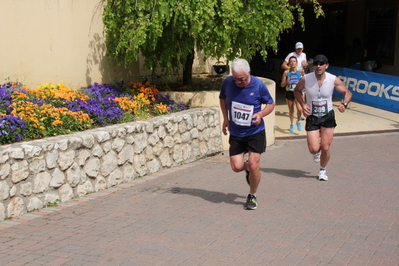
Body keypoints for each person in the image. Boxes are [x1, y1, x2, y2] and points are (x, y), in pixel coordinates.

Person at [219, 58, 275, 210]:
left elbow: (270, 104)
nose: (238, 82)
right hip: (237, 132)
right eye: (235, 79)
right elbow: (222, 99)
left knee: (253, 163)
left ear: (249, 73)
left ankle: (252, 195)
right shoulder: (228, 83)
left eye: (241, 79)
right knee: (237, 167)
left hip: (255, 132)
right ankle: (250, 170)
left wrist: (261, 114)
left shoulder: (258, 85)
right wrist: (226, 119)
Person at [293, 54, 352, 181]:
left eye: (321, 64)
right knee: (314, 149)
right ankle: (317, 152)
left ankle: (322, 170)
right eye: (316, 64)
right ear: (313, 65)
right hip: (312, 116)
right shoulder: (306, 78)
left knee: (326, 147)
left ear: (326, 65)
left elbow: (347, 92)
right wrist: (303, 105)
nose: (318, 66)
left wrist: (344, 104)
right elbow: (296, 91)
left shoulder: (333, 79)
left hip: (327, 116)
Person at [280, 56, 304, 132]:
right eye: (291, 61)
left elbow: (306, 80)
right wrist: (287, 81)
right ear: (289, 63)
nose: (293, 63)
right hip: (289, 92)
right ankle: (292, 124)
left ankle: (299, 121)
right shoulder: (286, 72)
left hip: (297, 92)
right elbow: (282, 85)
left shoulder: (300, 71)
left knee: (299, 109)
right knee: (291, 110)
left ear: (296, 63)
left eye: (294, 61)